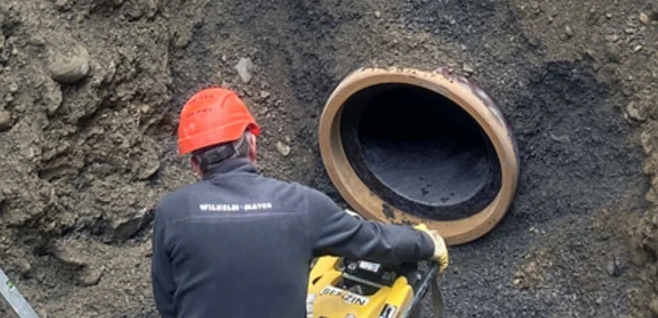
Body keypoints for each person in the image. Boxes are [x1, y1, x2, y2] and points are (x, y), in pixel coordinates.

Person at [152, 87, 449, 318]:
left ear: (194, 164)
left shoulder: (172, 212)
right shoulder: (301, 205)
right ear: (251, 144)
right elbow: (374, 241)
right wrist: (426, 242)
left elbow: (168, 302)